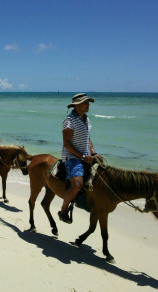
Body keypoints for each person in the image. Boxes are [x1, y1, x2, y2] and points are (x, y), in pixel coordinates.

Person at [59, 93, 103, 223]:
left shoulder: (86, 119)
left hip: (86, 155)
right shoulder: (69, 121)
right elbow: (67, 144)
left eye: (88, 102)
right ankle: (63, 210)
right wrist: (82, 156)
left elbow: (87, 139)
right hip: (71, 157)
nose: (88, 104)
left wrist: (94, 153)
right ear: (77, 105)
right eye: (85, 103)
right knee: (77, 184)